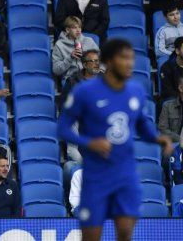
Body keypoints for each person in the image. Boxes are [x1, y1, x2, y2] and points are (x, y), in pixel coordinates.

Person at [58, 39, 174, 241]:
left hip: (125, 175)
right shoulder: (85, 92)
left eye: (131, 58)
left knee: (126, 234)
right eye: (124, 58)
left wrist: (158, 139)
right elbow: (62, 128)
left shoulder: (136, 91)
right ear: (109, 61)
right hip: (96, 176)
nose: (130, 63)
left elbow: (142, 126)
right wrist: (89, 143)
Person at [53, 16, 100, 81]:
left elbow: (101, 60)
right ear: (67, 30)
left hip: (90, 76)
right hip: (72, 79)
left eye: (79, 27)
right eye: (75, 28)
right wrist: (70, 58)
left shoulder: (89, 41)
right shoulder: (59, 45)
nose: (78, 30)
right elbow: (56, 70)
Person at [159, 75, 183, 145]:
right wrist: (180, 139)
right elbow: (163, 130)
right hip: (173, 146)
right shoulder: (167, 106)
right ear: (180, 88)